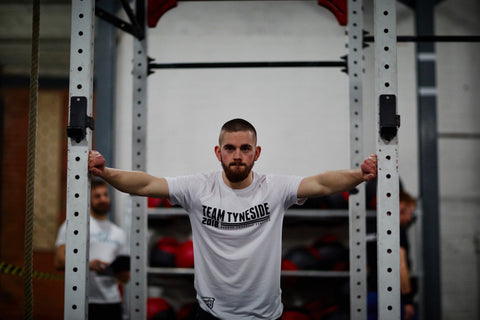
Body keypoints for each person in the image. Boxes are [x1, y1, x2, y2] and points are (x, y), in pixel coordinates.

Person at [88, 118, 377, 320]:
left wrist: (358, 175)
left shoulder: (274, 188)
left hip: (265, 314)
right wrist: (106, 172)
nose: (237, 155)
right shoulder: (198, 188)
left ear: (256, 153)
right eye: (230, 148)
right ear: (219, 152)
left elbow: (323, 184)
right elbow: (146, 185)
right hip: (212, 312)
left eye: (245, 149)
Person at [55, 179, 130, 320]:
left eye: (105, 195)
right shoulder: (74, 225)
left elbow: (125, 278)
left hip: (112, 302)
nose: (103, 199)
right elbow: (59, 261)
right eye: (97, 196)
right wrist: (89, 265)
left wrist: (114, 270)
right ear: (88, 199)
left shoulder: (118, 233)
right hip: (83, 302)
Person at [367, 187, 417, 320]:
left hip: (371, 295)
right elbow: (401, 266)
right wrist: (407, 301)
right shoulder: (397, 230)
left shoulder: (371, 227)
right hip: (393, 297)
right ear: (402, 208)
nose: (410, 218)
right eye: (410, 212)